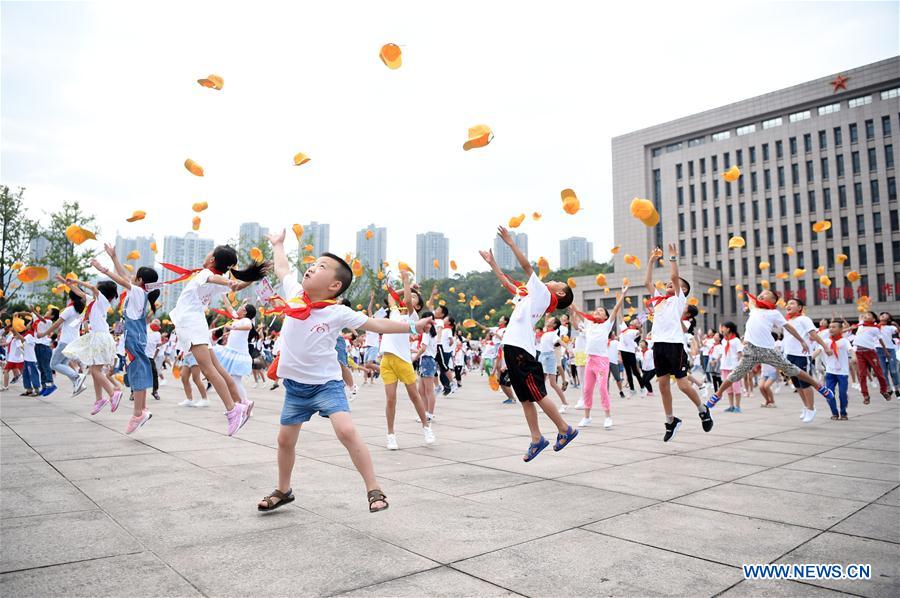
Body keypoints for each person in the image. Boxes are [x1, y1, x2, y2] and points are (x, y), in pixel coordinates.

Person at [256, 229, 435, 513]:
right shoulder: (295, 295)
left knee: (347, 431)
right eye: (314, 264)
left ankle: (374, 489)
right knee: (284, 440)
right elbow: (282, 268)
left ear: (334, 286)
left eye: (321, 267)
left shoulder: (337, 312)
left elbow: (376, 325)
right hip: (296, 387)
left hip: (326, 385)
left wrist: (413, 326)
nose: (312, 268)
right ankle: (284, 489)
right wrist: (278, 244)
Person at [479, 225, 577, 462]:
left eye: (557, 282)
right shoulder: (531, 296)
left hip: (522, 351)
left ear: (561, 294)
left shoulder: (544, 295)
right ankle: (537, 439)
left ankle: (565, 429)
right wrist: (492, 263)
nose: (553, 279)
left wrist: (510, 243)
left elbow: (526, 267)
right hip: (514, 348)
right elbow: (507, 283)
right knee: (525, 398)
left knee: (538, 394)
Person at [166, 245, 269, 435]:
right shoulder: (218, 277)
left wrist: (231, 282)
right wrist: (251, 277)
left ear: (212, 259)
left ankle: (233, 410)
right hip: (198, 324)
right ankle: (241, 403)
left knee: (210, 370)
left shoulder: (206, 273)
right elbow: (234, 285)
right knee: (218, 369)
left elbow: (215, 278)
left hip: (192, 323)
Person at [707, 289, 835, 409]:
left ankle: (820, 387)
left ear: (773, 300)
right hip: (750, 351)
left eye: (765, 294)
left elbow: (789, 328)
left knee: (792, 369)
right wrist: (746, 295)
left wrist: (801, 340)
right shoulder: (754, 309)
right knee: (735, 374)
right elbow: (751, 299)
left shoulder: (774, 313)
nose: (761, 295)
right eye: (761, 293)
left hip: (768, 350)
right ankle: (718, 394)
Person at [644, 245, 713, 442]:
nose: (668, 284)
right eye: (666, 284)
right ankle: (670, 420)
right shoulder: (658, 300)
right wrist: (651, 260)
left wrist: (673, 258)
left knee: (683, 385)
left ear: (682, 290)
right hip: (658, 345)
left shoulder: (678, 299)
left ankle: (702, 409)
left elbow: (675, 277)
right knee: (663, 386)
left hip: (674, 346)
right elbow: (647, 281)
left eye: (673, 284)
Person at [91, 246, 159, 433]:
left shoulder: (138, 292)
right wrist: (114, 258)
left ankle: (138, 413)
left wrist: (103, 270)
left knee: (137, 372)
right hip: (137, 337)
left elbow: (121, 278)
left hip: (134, 339)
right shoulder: (139, 292)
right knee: (141, 371)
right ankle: (142, 408)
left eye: (134, 277)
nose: (130, 279)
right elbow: (124, 276)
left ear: (140, 280)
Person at [379, 270, 435, 450]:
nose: (411, 298)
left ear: (418, 306)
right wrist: (409, 287)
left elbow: (409, 301)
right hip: (387, 359)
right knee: (390, 400)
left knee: (415, 396)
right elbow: (390, 295)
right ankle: (390, 435)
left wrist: (405, 279)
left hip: (403, 360)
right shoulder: (394, 311)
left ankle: (426, 427)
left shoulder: (412, 317)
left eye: (415, 298)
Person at [63, 277, 122, 414]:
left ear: (102, 291)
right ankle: (99, 399)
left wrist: (77, 281)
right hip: (98, 337)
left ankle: (113, 394)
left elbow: (92, 289)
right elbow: (80, 294)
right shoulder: (93, 302)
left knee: (95, 371)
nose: (95, 287)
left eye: (97, 286)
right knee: (95, 371)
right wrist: (69, 284)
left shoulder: (103, 302)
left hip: (100, 338)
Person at [570, 288, 626, 429]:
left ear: (606, 317)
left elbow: (615, 309)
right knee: (587, 389)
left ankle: (607, 417)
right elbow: (577, 310)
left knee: (602, 389)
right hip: (590, 361)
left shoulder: (606, 325)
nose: (597, 312)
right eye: (596, 310)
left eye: (601, 311)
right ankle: (587, 417)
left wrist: (623, 294)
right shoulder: (589, 324)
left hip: (602, 361)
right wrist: (569, 299)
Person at [36, 283, 88, 395]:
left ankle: (77, 377)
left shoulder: (69, 309)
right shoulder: (81, 310)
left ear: (70, 297)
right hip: (74, 341)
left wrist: (44, 333)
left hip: (65, 341)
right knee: (63, 364)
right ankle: (78, 383)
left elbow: (56, 325)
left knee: (53, 364)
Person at [213, 301, 257, 404]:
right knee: (231, 381)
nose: (239, 307)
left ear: (245, 312)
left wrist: (233, 327)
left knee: (235, 381)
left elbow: (248, 326)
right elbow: (228, 306)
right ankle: (240, 404)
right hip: (231, 352)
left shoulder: (246, 320)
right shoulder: (238, 319)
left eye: (242, 306)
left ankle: (246, 403)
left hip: (238, 355)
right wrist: (223, 293)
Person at [851, 311, 893, 404]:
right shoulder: (860, 325)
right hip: (859, 352)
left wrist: (885, 351)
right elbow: (860, 317)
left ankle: (883, 390)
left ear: (874, 319)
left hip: (870, 353)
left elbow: (880, 340)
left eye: (869, 315)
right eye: (865, 315)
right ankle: (865, 395)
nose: (866, 316)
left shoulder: (875, 329)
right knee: (862, 375)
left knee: (879, 373)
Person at [815, 320, 851, 420]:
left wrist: (854, 357)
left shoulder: (845, 341)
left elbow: (851, 350)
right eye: (830, 327)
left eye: (834, 327)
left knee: (842, 393)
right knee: (829, 393)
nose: (831, 329)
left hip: (842, 373)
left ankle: (843, 412)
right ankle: (834, 413)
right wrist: (809, 359)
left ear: (841, 329)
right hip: (830, 372)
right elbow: (818, 350)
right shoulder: (826, 341)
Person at [537, 316, 569, 412]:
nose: (548, 320)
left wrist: (568, 349)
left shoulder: (553, 334)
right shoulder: (546, 332)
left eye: (551, 320)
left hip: (550, 358)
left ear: (554, 325)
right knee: (541, 382)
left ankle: (565, 403)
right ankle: (545, 404)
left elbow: (560, 341)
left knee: (553, 383)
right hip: (542, 357)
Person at [415, 310, 439, 420]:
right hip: (426, 360)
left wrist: (414, 358)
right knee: (421, 390)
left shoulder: (426, 333)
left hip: (427, 361)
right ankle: (425, 413)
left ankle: (429, 414)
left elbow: (423, 348)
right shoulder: (431, 333)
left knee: (428, 390)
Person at [718, 321, 744, 413]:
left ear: (728, 329)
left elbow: (740, 353)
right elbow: (722, 353)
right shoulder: (724, 340)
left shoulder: (736, 340)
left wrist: (741, 366)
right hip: (725, 366)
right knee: (728, 388)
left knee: (736, 387)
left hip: (734, 367)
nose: (722, 330)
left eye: (723, 327)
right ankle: (731, 406)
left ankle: (738, 406)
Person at [31, 306, 56, 395]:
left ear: (52, 316)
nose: (47, 311)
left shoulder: (49, 321)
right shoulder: (40, 320)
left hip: (44, 347)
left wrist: (34, 310)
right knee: (41, 367)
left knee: (45, 367)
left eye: (49, 311)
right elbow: (36, 318)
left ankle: (51, 384)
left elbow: (42, 319)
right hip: (38, 346)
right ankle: (44, 386)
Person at [618, 321, 644, 396]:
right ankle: (632, 389)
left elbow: (640, 332)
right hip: (623, 351)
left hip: (630, 352)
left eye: (636, 321)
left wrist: (639, 327)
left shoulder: (634, 331)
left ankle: (642, 387)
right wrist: (618, 309)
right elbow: (620, 318)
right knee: (628, 371)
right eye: (634, 320)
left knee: (635, 371)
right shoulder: (625, 329)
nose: (633, 320)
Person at [876, 312, 899, 398]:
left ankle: (896, 388)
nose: (883, 315)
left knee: (893, 370)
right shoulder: (876, 326)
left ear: (889, 318)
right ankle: (888, 388)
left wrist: (896, 324)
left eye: (885, 315)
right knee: (883, 371)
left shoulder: (891, 327)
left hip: (890, 349)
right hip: (879, 350)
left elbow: (897, 331)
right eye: (881, 314)